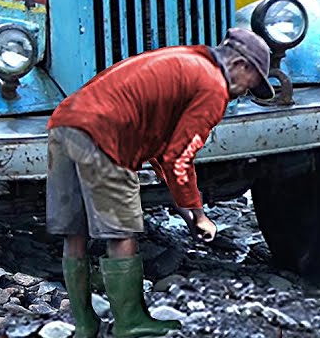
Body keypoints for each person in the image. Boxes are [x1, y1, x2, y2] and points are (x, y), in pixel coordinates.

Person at [46, 28, 274, 337]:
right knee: (122, 232)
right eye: (254, 83)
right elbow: (179, 156)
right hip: (105, 136)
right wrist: (199, 212)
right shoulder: (213, 87)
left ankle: (85, 324)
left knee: (74, 231)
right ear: (240, 66)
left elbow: (159, 145)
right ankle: (129, 322)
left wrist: (184, 209)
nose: (246, 92)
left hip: (65, 123)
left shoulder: (187, 60)